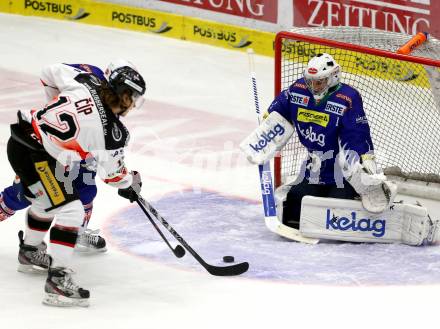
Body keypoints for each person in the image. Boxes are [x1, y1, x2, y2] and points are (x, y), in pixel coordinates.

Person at [240, 53, 439, 246]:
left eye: (319, 81)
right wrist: (267, 122)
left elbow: (356, 134)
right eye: (310, 81)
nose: (313, 86)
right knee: (294, 205)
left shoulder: (347, 98)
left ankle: (367, 198)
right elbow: (279, 109)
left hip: (343, 174)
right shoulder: (298, 89)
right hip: (315, 169)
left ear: (333, 77)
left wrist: (364, 165)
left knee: (338, 210)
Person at [6, 59, 145, 307]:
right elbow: (113, 176)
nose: (133, 104)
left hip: (24, 136)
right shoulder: (111, 133)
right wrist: (130, 181)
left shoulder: (86, 80)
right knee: (70, 210)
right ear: (123, 95)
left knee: (51, 199)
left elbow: (48, 71)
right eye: (132, 97)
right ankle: (58, 282)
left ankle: (30, 252)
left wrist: (54, 108)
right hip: (38, 158)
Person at [1, 64, 109, 256]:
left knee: (86, 189)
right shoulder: (90, 74)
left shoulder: (114, 98)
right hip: (51, 146)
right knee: (26, 195)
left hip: (82, 150)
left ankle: (77, 232)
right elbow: (48, 74)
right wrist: (55, 104)